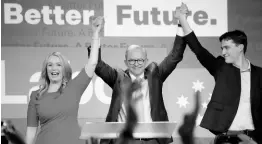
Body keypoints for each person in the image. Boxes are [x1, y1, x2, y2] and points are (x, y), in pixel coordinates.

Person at [88, 13, 187, 144]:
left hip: (153, 140)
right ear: (125, 62)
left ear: (146, 61)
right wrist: (96, 34)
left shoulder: (156, 76)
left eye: (140, 60)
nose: (136, 63)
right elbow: (98, 65)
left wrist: (181, 22)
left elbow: (175, 56)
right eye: (132, 60)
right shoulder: (117, 78)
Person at [176, 3, 262, 144]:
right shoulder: (221, 67)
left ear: (240, 47)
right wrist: (182, 19)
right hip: (225, 139)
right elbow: (199, 50)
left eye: (227, 48)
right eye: (222, 48)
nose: (223, 52)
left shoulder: (259, 75)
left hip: (252, 140)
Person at [25, 16, 103, 144]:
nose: (53, 68)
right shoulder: (35, 96)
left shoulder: (74, 88)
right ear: (46, 70)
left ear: (64, 70)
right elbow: (31, 131)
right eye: (50, 65)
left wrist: (95, 33)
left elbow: (93, 63)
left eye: (58, 64)